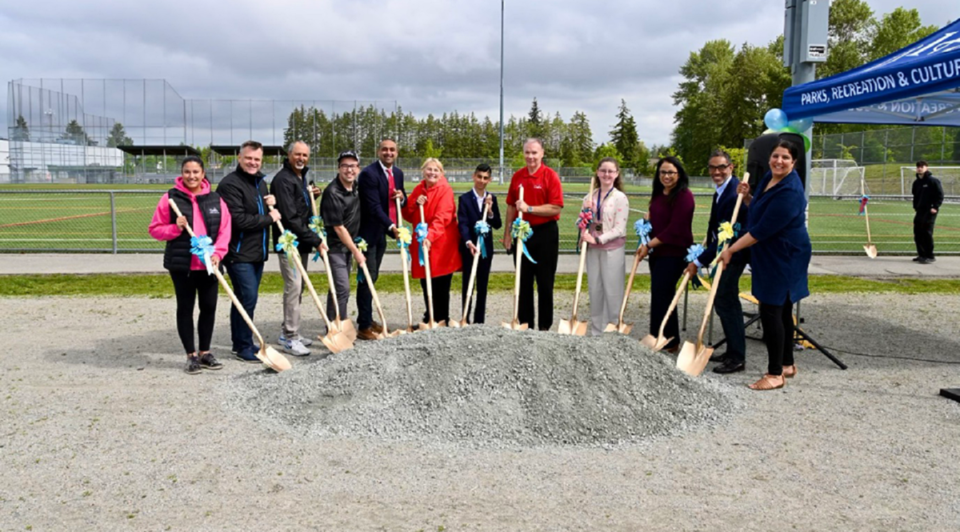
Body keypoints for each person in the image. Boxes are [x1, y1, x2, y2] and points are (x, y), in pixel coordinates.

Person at [720, 138, 812, 391]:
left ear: (794, 162)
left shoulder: (790, 191)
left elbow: (761, 230)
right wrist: (748, 197)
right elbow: (759, 210)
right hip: (770, 252)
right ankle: (787, 364)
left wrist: (731, 250)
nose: (779, 161)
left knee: (771, 310)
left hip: (785, 255)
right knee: (782, 309)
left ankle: (774, 374)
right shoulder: (769, 179)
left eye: (785, 158)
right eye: (776, 156)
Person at [148, 156, 232, 374]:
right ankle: (191, 355)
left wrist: (218, 254)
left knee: (209, 308)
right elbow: (155, 229)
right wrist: (175, 228)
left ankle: (205, 352)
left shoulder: (215, 199)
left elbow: (225, 230)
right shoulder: (170, 198)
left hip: (209, 265)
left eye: (196, 172)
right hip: (182, 266)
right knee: (185, 309)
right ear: (181, 174)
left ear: (203, 173)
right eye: (187, 172)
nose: (192, 176)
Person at [685, 149, 750, 374]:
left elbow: (727, 236)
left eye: (721, 167)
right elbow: (716, 231)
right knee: (724, 302)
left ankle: (737, 357)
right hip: (722, 252)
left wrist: (699, 262)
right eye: (713, 167)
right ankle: (733, 350)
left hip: (733, 254)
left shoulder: (735, 193)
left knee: (726, 301)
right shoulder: (721, 191)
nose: (717, 171)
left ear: (731, 167)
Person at [217, 140, 281, 363]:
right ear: (239, 158)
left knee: (246, 299)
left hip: (256, 253)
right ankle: (243, 345)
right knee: (247, 297)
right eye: (249, 158)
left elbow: (257, 210)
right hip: (238, 253)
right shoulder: (230, 184)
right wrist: (269, 218)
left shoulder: (259, 182)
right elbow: (238, 220)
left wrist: (271, 203)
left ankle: (241, 342)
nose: (253, 163)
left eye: (257, 159)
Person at [501, 138, 564, 331]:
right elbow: (511, 205)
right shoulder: (518, 176)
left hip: (545, 233)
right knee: (523, 282)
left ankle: (544, 327)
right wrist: (507, 233)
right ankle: (525, 325)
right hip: (522, 233)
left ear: (542, 153)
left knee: (545, 283)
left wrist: (529, 208)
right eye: (527, 152)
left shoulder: (550, 176)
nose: (530, 156)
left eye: (534, 152)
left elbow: (555, 208)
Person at [636, 156, 695, 354]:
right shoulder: (659, 194)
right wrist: (647, 225)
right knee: (660, 295)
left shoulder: (684, 196)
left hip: (674, 253)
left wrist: (649, 245)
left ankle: (666, 339)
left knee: (663, 294)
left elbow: (675, 229)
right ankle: (661, 336)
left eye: (671, 172)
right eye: (663, 172)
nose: (666, 176)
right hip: (658, 253)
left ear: (679, 174)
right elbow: (657, 217)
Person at [270, 141, 324, 356]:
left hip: (301, 242)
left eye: (305, 155)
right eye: (297, 155)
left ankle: (290, 331)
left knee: (298, 287)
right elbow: (290, 217)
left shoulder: (303, 177)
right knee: (293, 287)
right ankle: (290, 337)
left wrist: (313, 196)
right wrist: (316, 239)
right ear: (289, 155)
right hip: (289, 242)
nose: (301, 158)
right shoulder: (283, 179)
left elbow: (299, 206)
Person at [356, 138, 406, 340]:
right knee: (366, 279)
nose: (388, 153)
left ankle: (367, 317)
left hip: (381, 234)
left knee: (373, 277)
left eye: (392, 150)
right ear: (378, 152)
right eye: (385, 149)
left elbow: (400, 200)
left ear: (397, 152)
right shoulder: (369, 174)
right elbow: (374, 207)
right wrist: (391, 226)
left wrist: (402, 197)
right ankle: (364, 325)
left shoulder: (398, 174)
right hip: (367, 234)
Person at [402, 158, 460, 325]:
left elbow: (443, 217)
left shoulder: (445, 190)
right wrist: (414, 202)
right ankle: (430, 317)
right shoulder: (419, 189)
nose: (432, 173)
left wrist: (430, 236)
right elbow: (407, 214)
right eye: (429, 169)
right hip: (423, 244)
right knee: (425, 282)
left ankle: (441, 318)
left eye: (436, 170)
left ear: (441, 173)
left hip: (441, 244)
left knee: (440, 284)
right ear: (423, 171)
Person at [579, 157, 629, 336]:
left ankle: (613, 331)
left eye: (610, 171)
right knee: (595, 289)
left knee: (613, 290)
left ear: (616, 174)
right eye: (603, 171)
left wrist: (598, 239)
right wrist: (585, 212)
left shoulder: (620, 198)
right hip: (593, 250)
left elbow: (619, 228)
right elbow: (581, 222)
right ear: (598, 172)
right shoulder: (590, 195)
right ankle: (596, 332)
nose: (606, 174)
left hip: (612, 250)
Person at [320, 151, 366, 332]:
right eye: (345, 165)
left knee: (337, 289)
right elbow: (338, 227)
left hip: (349, 246)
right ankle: (341, 327)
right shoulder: (333, 192)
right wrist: (356, 251)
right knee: (342, 288)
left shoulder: (355, 187)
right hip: (335, 248)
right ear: (339, 168)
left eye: (353, 166)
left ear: (358, 169)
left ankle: (332, 324)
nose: (349, 169)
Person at [457, 163, 502, 324]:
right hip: (470, 248)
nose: (481, 181)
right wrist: (468, 242)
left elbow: (497, 223)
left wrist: (490, 212)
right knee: (468, 283)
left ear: (489, 180)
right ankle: (465, 318)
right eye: (479, 177)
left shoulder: (492, 199)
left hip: (485, 250)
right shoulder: (464, 199)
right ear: (474, 177)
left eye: (485, 178)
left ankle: (479, 321)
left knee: (483, 285)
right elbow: (462, 223)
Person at [911, 160, 944, 264]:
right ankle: (921, 254)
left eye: (922, 166)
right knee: (918, 232)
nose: (919, 168)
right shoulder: (916, 183)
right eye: (918, 167)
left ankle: (930, 255)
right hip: (920, 211)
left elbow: (940, 195)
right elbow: (915, 196)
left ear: (926, 167)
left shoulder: (932, 181)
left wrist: (935, 207)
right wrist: (916, 207)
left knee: (926, 232)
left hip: (930, 211)